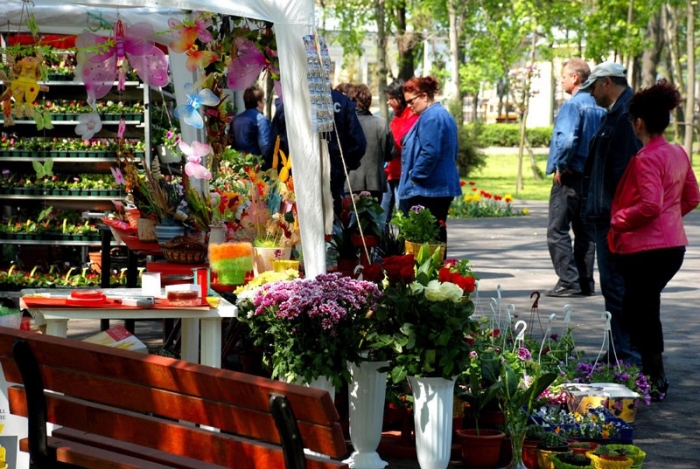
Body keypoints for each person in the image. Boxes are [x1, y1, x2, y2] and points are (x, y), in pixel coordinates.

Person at [608, 80, 700, 401]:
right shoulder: (677, 152)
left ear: (639, 123)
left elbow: (649, 205)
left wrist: (618, 219)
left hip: (647, 249)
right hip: (672, 247)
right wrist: (669, 221)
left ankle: (654, 377)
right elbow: (692, 197)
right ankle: (649, 373)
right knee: (642, 306)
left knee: (642, 310)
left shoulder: (646, 157)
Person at [579, 62, 642, 365]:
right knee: (614, 287)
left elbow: (626, 173)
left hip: (615, 219)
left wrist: (619, 217)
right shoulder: (615, 114)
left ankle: (627, 356)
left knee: (618, 287)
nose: (591, 93)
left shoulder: (626, 116)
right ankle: (620, 349)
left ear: (606, 82)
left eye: (593, 86)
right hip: (608, 215)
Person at [545, 60, 606, 297]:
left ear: (575, 78)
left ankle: (569, 281)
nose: (561, 81)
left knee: (557, 230)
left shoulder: (573, 106)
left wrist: (561, 165)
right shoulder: (600, 107)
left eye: (563, 76)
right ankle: (585, 281)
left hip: (570, 176)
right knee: (586, 232)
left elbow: (568, 140)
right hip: (591, 178)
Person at [398, 76, 461, 244]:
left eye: (411, 101)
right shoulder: (442, 115)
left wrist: (415, 176)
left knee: (424, 241)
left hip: (427, 190)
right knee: (435, 239)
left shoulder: (431, 117)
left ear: (424, 96)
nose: (409, 106)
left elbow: (430, 153)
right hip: (436, 188)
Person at [345, 84, 394, 201]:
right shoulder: (381, 123)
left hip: (349, 182)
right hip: (375, 183)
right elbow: (390, 154)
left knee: (350, 212)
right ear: (369, 102)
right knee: (373, 213)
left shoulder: (345, 124)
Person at [381, 80, 419, 227]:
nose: (388, 102)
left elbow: (402, 143)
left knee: (402, 217)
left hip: (402, 175)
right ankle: (382, 242)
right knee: (382, 217)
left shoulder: (411, 116)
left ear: (400, 98)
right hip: (390, 172)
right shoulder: (396, 117)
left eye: (391, 98)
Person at [229, 85, 271, 157]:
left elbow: (230, 143)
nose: (264, 103)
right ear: (259, 103)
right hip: (255, 161)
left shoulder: (235, 120)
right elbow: (264, 145)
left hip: (237, 160)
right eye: (263, 100)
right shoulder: (261, 120)